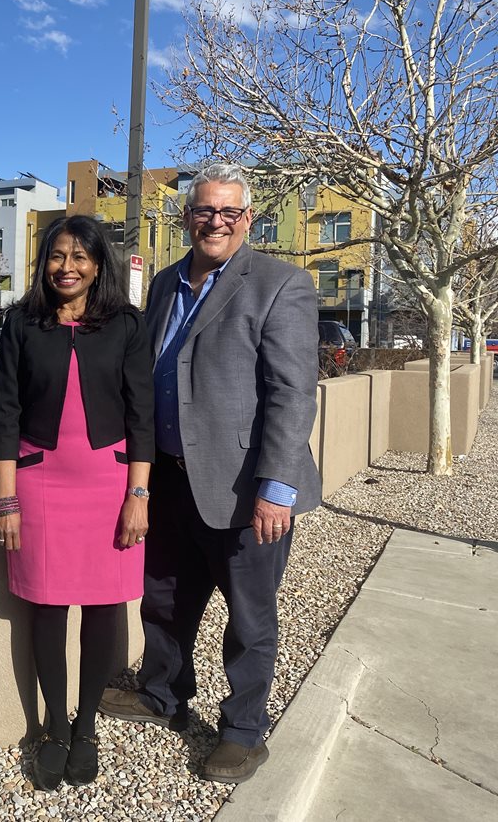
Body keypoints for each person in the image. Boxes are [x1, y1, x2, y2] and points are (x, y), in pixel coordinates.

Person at [99, 163, 320, 784]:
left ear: (247, 219)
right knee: (166, 599)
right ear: (187, 216)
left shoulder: (280, 284)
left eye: (228, 212)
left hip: (244, 488)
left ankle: (244, 732)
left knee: (249, 618)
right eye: (204, 211)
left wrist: (277, 486)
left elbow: (292, 392)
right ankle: (162, 695)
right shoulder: (166, 283)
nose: (215, 221)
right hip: (170, 480)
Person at [0, 215, 154, 792]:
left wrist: (139, 493)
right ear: (45, 263)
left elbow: (142, 415)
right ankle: (54, 728)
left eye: (80, 257)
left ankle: (87, 727)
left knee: (105, 607)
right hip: (39, 485)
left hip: (110, 486)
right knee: (48, 607)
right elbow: (4, 415)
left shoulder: (127, 326)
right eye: (58, 256)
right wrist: (4, 499)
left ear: (98, 264)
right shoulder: (22, 324)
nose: (68, 267)